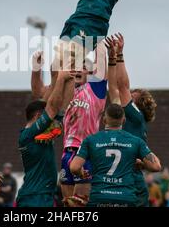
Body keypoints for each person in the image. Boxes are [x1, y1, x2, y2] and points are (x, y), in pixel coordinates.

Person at [31, 44, 108, 206]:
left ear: (90, 72)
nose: (78, 70)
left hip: (86, 153)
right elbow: (38, 94)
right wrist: (36, 69)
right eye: (74, 67)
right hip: (67, 153)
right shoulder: (64, 92)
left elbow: (101, 62)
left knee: (80, 203)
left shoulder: (96, 90)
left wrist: (97, 37)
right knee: (67, 203)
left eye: (82, 67)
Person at [70, 104, 161, 207]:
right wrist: (142, 164)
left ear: (104, 120)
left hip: (99, 198)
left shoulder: (90, 140)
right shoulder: (136, 141)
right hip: (126, 198)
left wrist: (81, 173)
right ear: (124, 120)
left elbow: (74, 167)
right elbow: (156, 166)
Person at [105, 33, 157, 206]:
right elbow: (112, 87)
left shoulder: (135, 115)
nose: (128, 93)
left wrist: (120, 54)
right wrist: (111, 59)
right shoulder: (122, 114)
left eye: (132, 94)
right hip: (121, 179)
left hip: (133, 181)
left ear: (138, 102)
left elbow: (121, 86)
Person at [16, 70, 75, 207]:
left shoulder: (43, 131)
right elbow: (53, 108)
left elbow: (62, 110)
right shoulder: (28, 135)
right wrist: (60, 78)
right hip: (33, 197)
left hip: (45, 195)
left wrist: (70, 76)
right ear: (38, 116)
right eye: (45, 116)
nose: (50, 119)